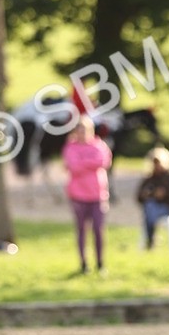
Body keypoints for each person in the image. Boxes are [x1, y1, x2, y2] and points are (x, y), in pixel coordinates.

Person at [62, 116, 112, 274]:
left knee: (98, 229)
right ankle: (83, 263)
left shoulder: (99, 145)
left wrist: (83, 163)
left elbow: (103, 161)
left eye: (85, 130)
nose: (82, 133)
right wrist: (90, 163)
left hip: (97, 194)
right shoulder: (70, 148)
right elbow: (73, 167)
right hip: (78, 195)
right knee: (81, 230)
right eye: (79, 130)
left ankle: (100, 262)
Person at [136, 147, 169, 248]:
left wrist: (165, 195)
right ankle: (151, 239)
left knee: (149, 210)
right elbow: (139, 197)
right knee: (150, 206)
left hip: (168, 209)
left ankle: (150, 240)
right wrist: (148, 194)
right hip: (151, 208)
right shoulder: (149, 179)